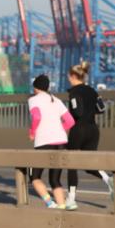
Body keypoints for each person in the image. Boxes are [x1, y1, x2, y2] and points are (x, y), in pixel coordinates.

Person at [65, 61, 113, 210]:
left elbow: (77, 112)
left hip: (79, 129)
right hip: (93, 129)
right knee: (89, 163)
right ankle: (108, 179)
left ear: (73, 76)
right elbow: (101, 109)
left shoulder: (74, 92)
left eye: (68, 76)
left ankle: (71, 199)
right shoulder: (92, 90)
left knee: (71, 163)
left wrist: (71, 113)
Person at [28, 74, 75, 209]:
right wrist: (60, 129)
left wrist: (32, 133)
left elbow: (36, 117)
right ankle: (61, 206)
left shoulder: (33, 99)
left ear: (35, 88)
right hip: (61, 141)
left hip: (44, 142)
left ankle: (50, 203)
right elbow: (70, 121)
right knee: (55, 179)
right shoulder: (57, 100)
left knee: (34, 176)